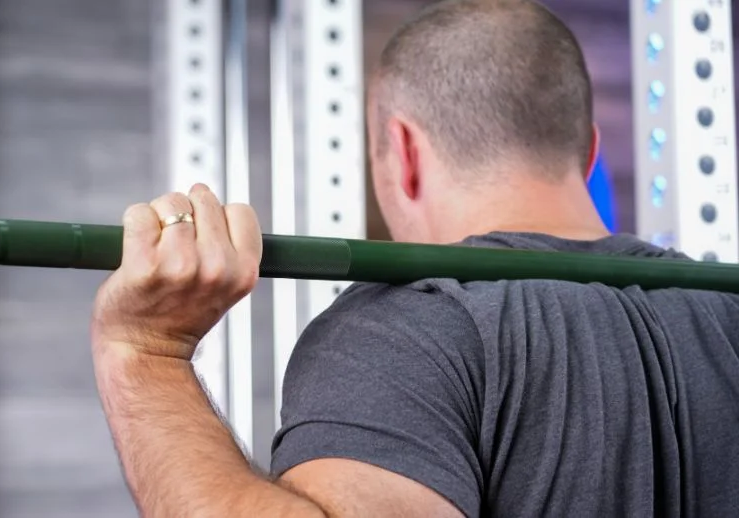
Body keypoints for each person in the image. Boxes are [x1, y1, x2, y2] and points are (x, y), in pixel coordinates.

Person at [90, 0, 739, 516]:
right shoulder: (725, 311)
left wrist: (147, 352)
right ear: (590, 151)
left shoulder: (405, 328)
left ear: (401, 151)